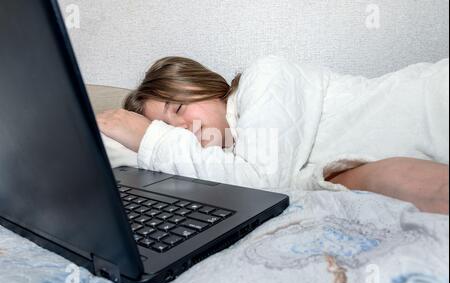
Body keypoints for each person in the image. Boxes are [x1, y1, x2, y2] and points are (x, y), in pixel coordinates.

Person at [97, 55, 449, 214]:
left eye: (177, 109)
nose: (183, 132)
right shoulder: (228, 160)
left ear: (198, 85)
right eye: (167, 130)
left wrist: (150, 138)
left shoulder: (266, 76)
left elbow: (263, 185)